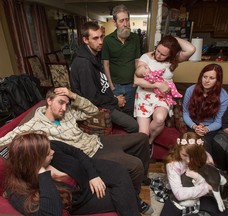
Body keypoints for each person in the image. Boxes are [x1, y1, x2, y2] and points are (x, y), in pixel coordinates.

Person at [0, 87, 153, 214]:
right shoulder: (34, 128)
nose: (64, 108)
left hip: (94, 141)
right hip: (89, 154)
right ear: (49, 101)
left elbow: (93, 110)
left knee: (141, 138)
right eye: (61, 102)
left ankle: (137, 190)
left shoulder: (65, 114)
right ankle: (134, 197)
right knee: (134, 166)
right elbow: (7, 140)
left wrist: (73, 96)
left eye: (67, 103)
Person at [5, 131, 140, 215]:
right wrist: (42, 173)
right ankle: (136, 203)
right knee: (126, 196)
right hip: (83, 201)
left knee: (121, 171)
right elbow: (51, 213)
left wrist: (93, 175)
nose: (52, 152)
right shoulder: (17, 191)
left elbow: (77, 152)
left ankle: (136, 201)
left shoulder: (51, 147)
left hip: (86, 176)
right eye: (47, 153)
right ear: (35, 161)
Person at [70, 21, 138, 133]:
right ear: (85, 40)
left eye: (102, 37)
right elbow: (91, 98)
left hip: (106, 100)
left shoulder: (94, 54)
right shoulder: (84, 64)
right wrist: (115, 101)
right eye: (95, 38)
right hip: (98, 108)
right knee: (134, 125)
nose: (101, 42)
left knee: (131, 111)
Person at [134, 35, 195, 147]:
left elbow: (191, 49)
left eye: (163, 54)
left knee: (160, 118)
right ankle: (146, 141)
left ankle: (150, 142)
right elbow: (136, 80)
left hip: (162, 97)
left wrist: (173, 38)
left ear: (170, 55)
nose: (158, 55)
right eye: (157, 50)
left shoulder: (173, 60)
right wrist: (158, 84)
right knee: (143, 134)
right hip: (144, 95)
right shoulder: (146, 57)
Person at [160, 132, 228, 216]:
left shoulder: (206, 157)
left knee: (225, 213)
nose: (188, 160)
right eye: (184, 155)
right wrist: (207, 187)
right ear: (178, 149)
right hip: (180, 197)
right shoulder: (172, 164)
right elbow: (179, 194)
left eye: (193, 156)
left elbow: (213, 183)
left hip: (201, 196)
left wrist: (198, 178)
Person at [102, 4, 141, 116]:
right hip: (115, 85)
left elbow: (137, 61)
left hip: (131, 85)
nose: (125, 24)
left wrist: (135, 81)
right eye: (121, 21)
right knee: (116, 114)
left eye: (127, 20)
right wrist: (111, 85)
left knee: (130, 113)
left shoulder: (135, 38)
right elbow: (106, 64)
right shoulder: (108, 40)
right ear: (115, 23)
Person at [182, 63, 228, 154]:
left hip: (211, 127)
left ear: (218, 80)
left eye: (211, 78)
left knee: (205, 145)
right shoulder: (190, 90)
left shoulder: (223, 96)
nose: (207, 81)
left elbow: (219, 121)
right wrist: (194, 126)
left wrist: (206, 129)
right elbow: (185, 112)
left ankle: (207, 167)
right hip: (193, 124)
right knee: (187, 143)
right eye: (205, 77)